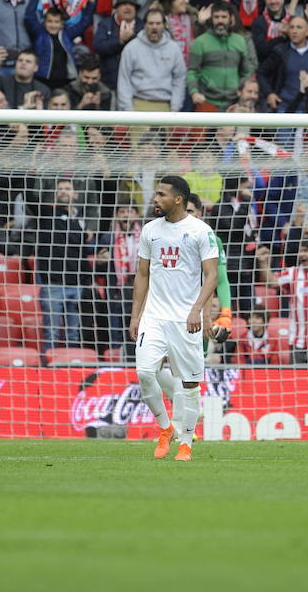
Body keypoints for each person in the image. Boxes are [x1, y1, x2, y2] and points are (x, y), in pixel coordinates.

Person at [130, 175, 219, 461]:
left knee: (190, 383)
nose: (155, 199)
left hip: (185, 319)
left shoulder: (200, 231)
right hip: (154, 316)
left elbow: (212, 275)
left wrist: (196, 310)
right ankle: (165, 428)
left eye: (161, 195)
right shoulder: (150, 231)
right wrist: (136, 315)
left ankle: (186, 444)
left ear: (177, 199)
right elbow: (142, 274)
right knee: (145, 373)